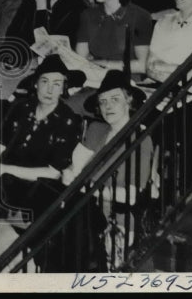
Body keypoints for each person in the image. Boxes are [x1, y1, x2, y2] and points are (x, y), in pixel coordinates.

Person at [66, 70, 155, 270]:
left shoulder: (141, 139)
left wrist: (89, 189)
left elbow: (131, 196)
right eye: (103, 101)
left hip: (116, 217)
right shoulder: (96, 130)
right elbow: (75, 168)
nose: (108, 106)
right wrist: (71, 176)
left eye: (115, 99)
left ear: (129, 101)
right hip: (85, 211)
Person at [0, 55, 85, 220]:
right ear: (36, 83)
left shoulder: (69, 121)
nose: (50, 90)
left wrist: (4, 169)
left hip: (36, 188)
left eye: (56, 84)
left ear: (63, 88)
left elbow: (54, 173)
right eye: (45, 82)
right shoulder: (20, 108)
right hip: (2, 178)